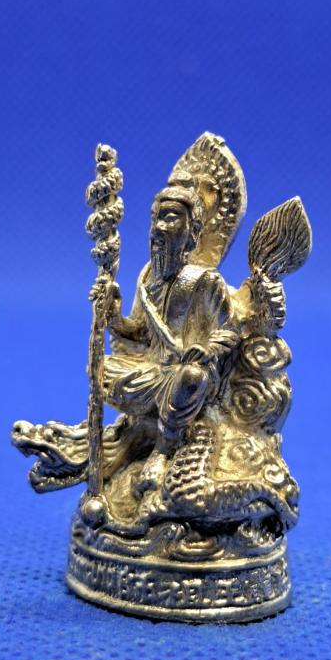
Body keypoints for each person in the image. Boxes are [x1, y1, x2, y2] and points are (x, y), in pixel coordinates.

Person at [103, 174, 239, 495]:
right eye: (156, 219)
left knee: (191, 378)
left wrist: (206, 349)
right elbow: (140, 332)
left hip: (186, 374)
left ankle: (163, 450)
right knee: (100, 368)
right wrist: (114, 318)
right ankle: (134, 436)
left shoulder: (205, 281)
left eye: (171, 218)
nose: (159, 228)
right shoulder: (147, 277)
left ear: (192, 232)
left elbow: (230, 331)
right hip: (153, 369)